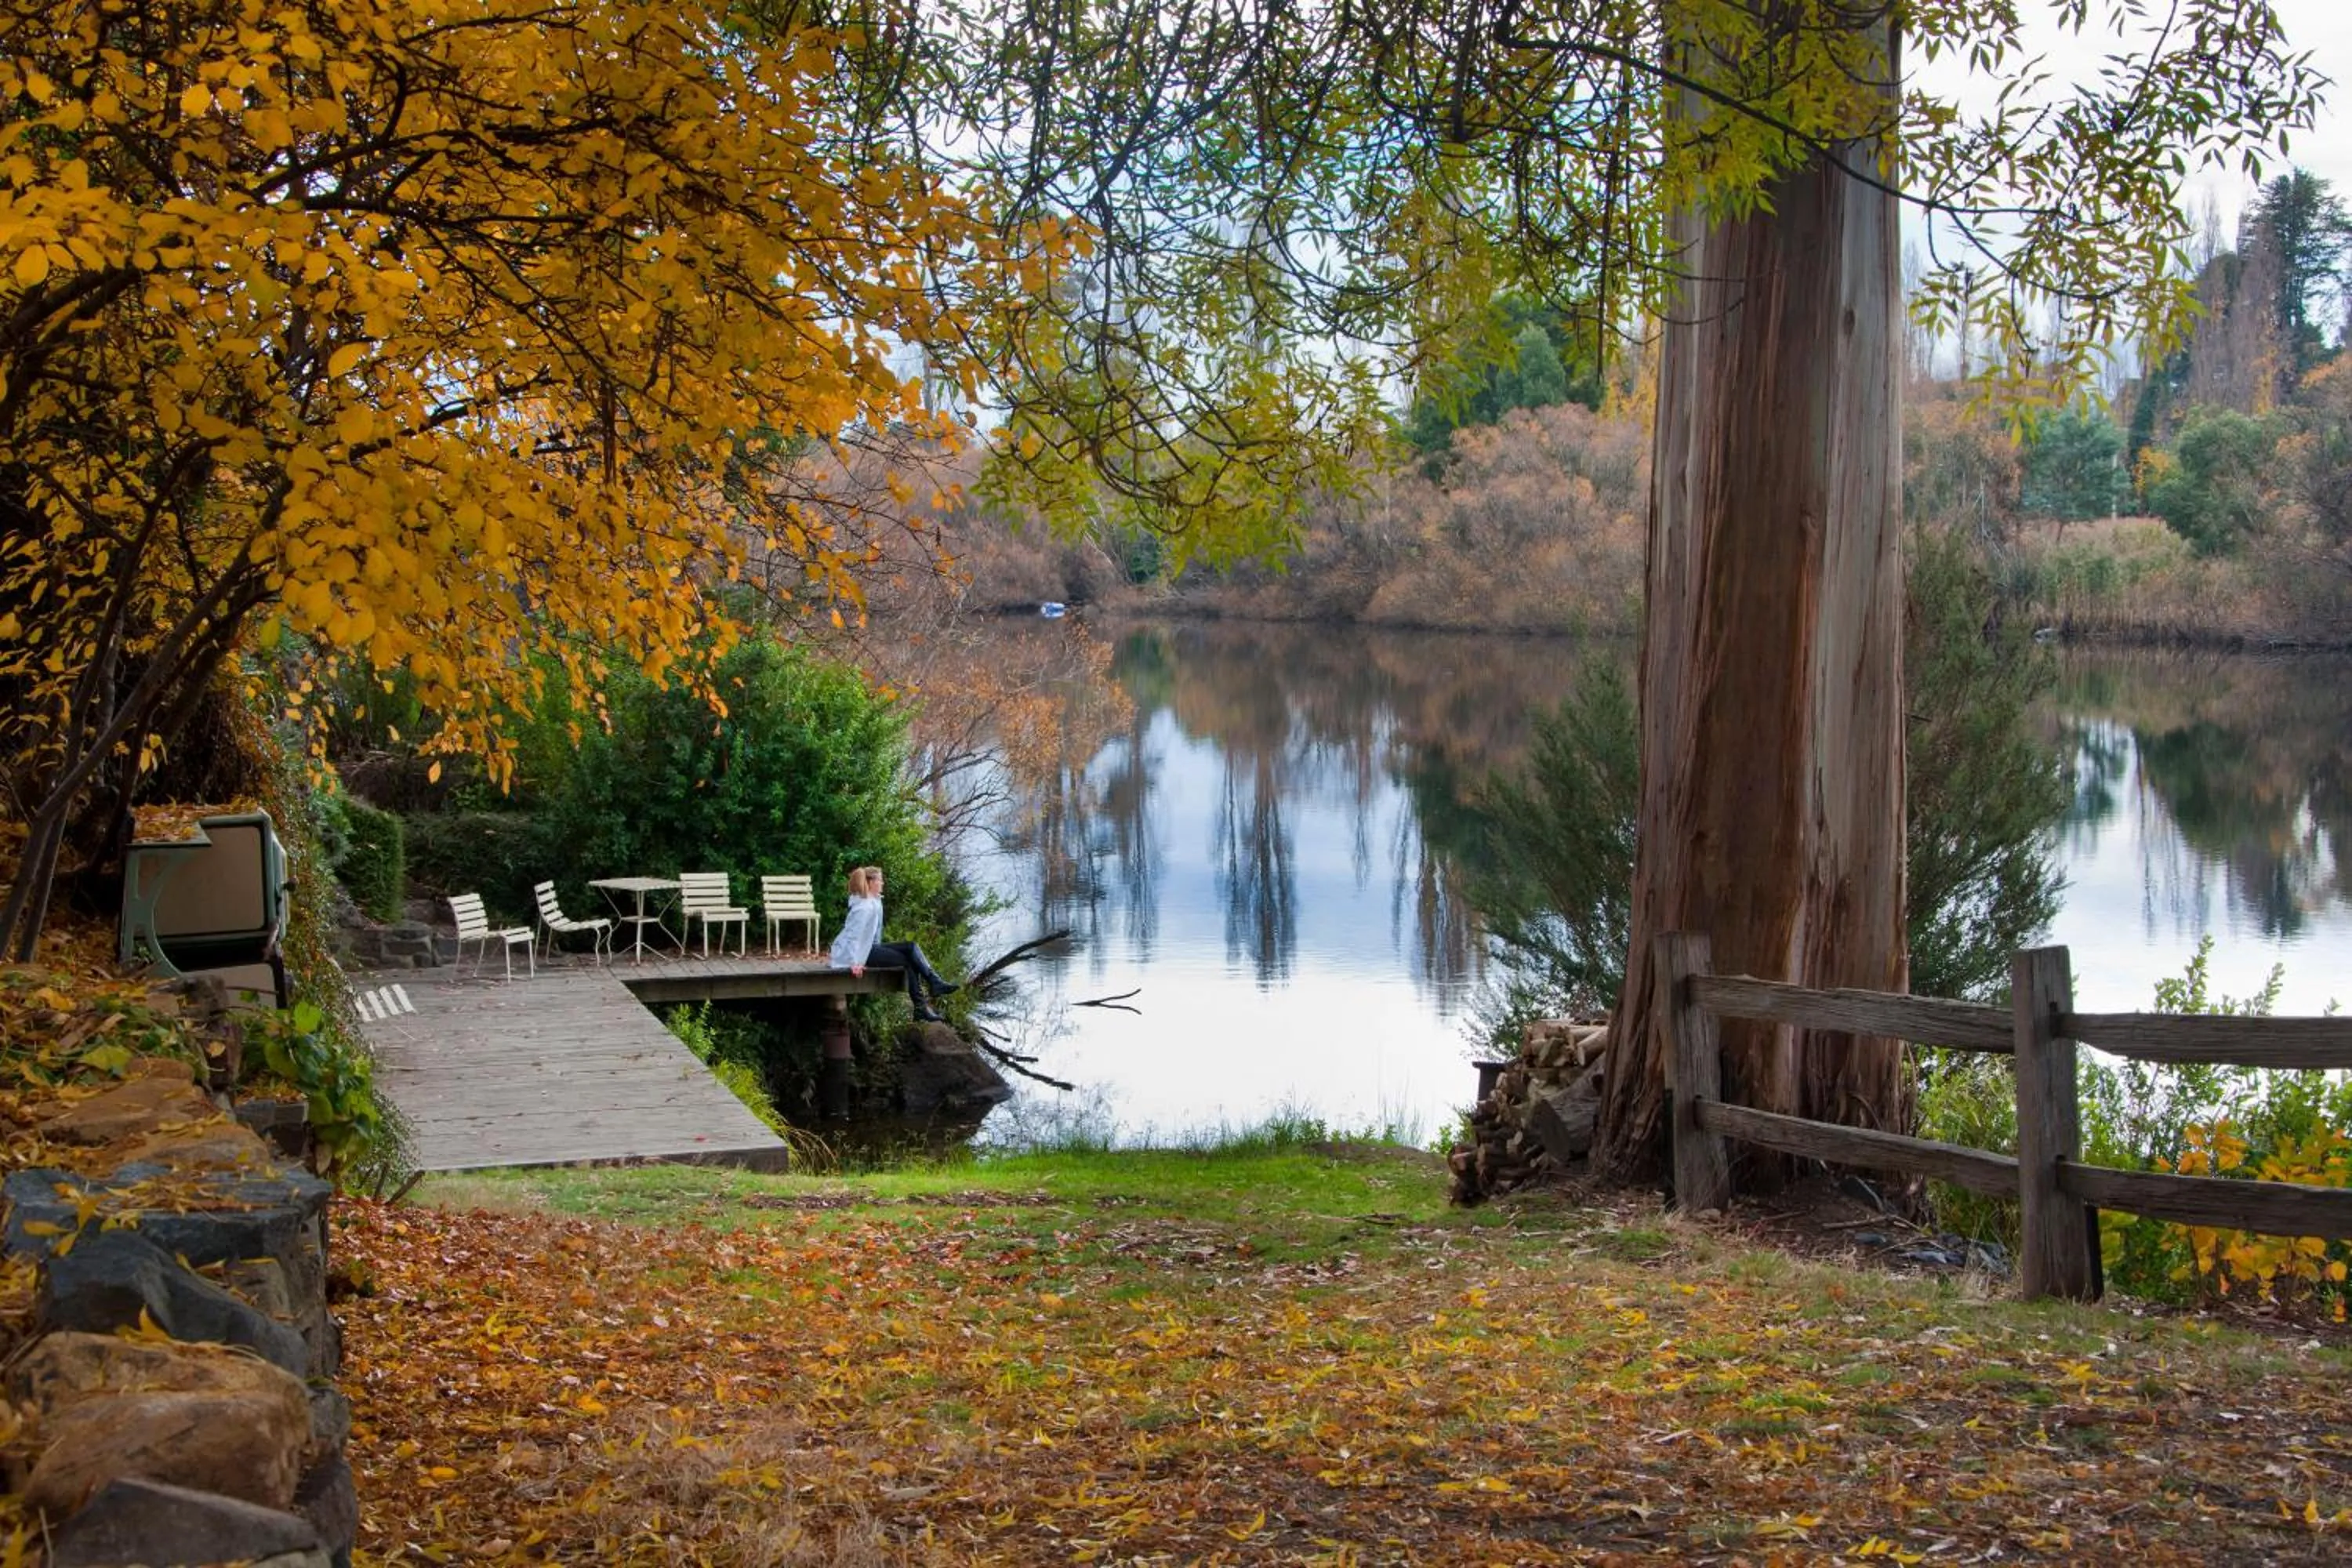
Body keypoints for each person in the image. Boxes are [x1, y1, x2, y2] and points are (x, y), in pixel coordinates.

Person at [826, 866, 958, 1022]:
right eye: (880, 880)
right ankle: (922, 1006)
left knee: (911, 947)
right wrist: (855, 963)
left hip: (869, 948)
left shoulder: (872, 901)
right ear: (871, 883)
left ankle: (934, 982)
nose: (883, 883)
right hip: (860, 953)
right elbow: (853, 936)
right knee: (908, 962)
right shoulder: (864, 907)